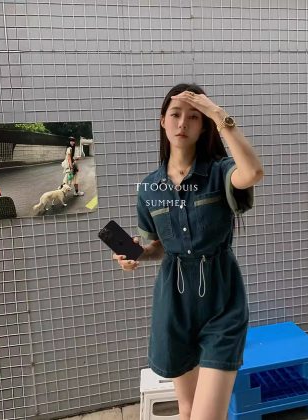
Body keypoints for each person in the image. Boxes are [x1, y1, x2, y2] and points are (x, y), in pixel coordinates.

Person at [113, 83, 263, 420]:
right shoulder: (149, 188)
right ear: (162, 121)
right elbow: (158, 247)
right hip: (174, 306)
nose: (183, 123)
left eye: (194, 117)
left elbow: (253, 172)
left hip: (222, 301)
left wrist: (219, 115)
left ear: (204, 125)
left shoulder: (220, 171)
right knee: (188, 410)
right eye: (175, 114)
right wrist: (135, 255)